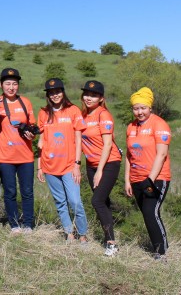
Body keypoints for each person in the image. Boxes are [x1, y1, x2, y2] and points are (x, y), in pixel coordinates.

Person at [37, 78, 88, 243]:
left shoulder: (73, 110)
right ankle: (69, 234)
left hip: (69, 166)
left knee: (75, 201)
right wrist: (39, 167)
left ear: (63, 92)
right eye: (51, 93)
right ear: (48, 95)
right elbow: (41, 142)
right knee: (60, 202)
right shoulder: (43, 113)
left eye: (57, 91)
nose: (55, 95)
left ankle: (83, 235)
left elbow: (79, 139)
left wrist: (77, 164)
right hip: (49, 166)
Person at [124, 87, 171, 260]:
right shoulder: (131, 127)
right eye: (136, 108)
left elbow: (162, 154)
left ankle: (161, 252)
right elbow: (129, 155)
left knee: (151, 212)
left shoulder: (159, 125)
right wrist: (127, 180)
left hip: (156, 178)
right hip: (136, 178)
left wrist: (150, 179)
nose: (139, 112)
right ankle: (157, 246)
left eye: (143, 108)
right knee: (146, 213)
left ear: (150, 107)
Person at [80, 80, 122, 256]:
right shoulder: (83, 115)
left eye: (94, 95)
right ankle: (108, 238)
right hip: (91, 164)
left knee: (97, 201)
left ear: (101, 98)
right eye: (86, 94)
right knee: (103, 202)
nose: (89, 98)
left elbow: (107, 145)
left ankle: (112, 244)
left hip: (108, 163)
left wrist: (99, 171)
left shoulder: (103, 115)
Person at [0, 68, 37, 234]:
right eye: (7, 84)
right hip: (5, 156)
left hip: (25, 156)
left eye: (14, 84)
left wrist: (31, 133)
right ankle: (14, 224)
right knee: (10, 192)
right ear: (1, 85)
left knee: (27, 192)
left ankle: (28, 224)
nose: (11, 87)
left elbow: (32, 125)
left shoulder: (25, 102)